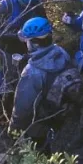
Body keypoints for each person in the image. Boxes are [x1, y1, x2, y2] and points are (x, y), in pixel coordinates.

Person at [10, 17, 74, 148]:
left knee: (36, 149)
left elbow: (22, 109)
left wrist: (13, 129)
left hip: (40, 125)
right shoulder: (61, 52)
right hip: (62, 113)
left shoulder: (32, 72)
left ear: (34, 43)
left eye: (27, 40)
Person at [0, 0, 45, 117]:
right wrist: (16, 36)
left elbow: (44, 24)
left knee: (28, 77)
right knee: (9, 81)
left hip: (28, 48)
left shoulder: (36, 4)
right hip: (6, 49)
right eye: (24, 4)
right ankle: (7, 112)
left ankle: (30, 106)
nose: (27, 7)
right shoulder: (5, 5)